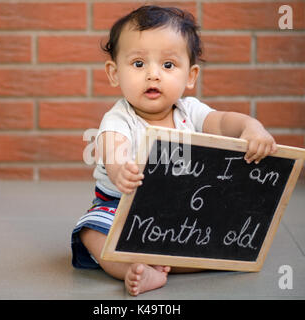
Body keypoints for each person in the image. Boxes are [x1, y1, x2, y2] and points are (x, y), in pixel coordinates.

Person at [71, 5, 277, 296]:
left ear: (190, 76)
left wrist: (251, 127)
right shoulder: (120, 117)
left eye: (168, 65)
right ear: (114, 73)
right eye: (139, 64)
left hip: (180, 211)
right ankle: (131, 270)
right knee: (92, 231)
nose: (153, 75)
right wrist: (119, 168)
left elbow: (222, 121)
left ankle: (170, 260)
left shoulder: (190, 111)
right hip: (121, 207)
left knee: (212, 234)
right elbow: (110, 143)